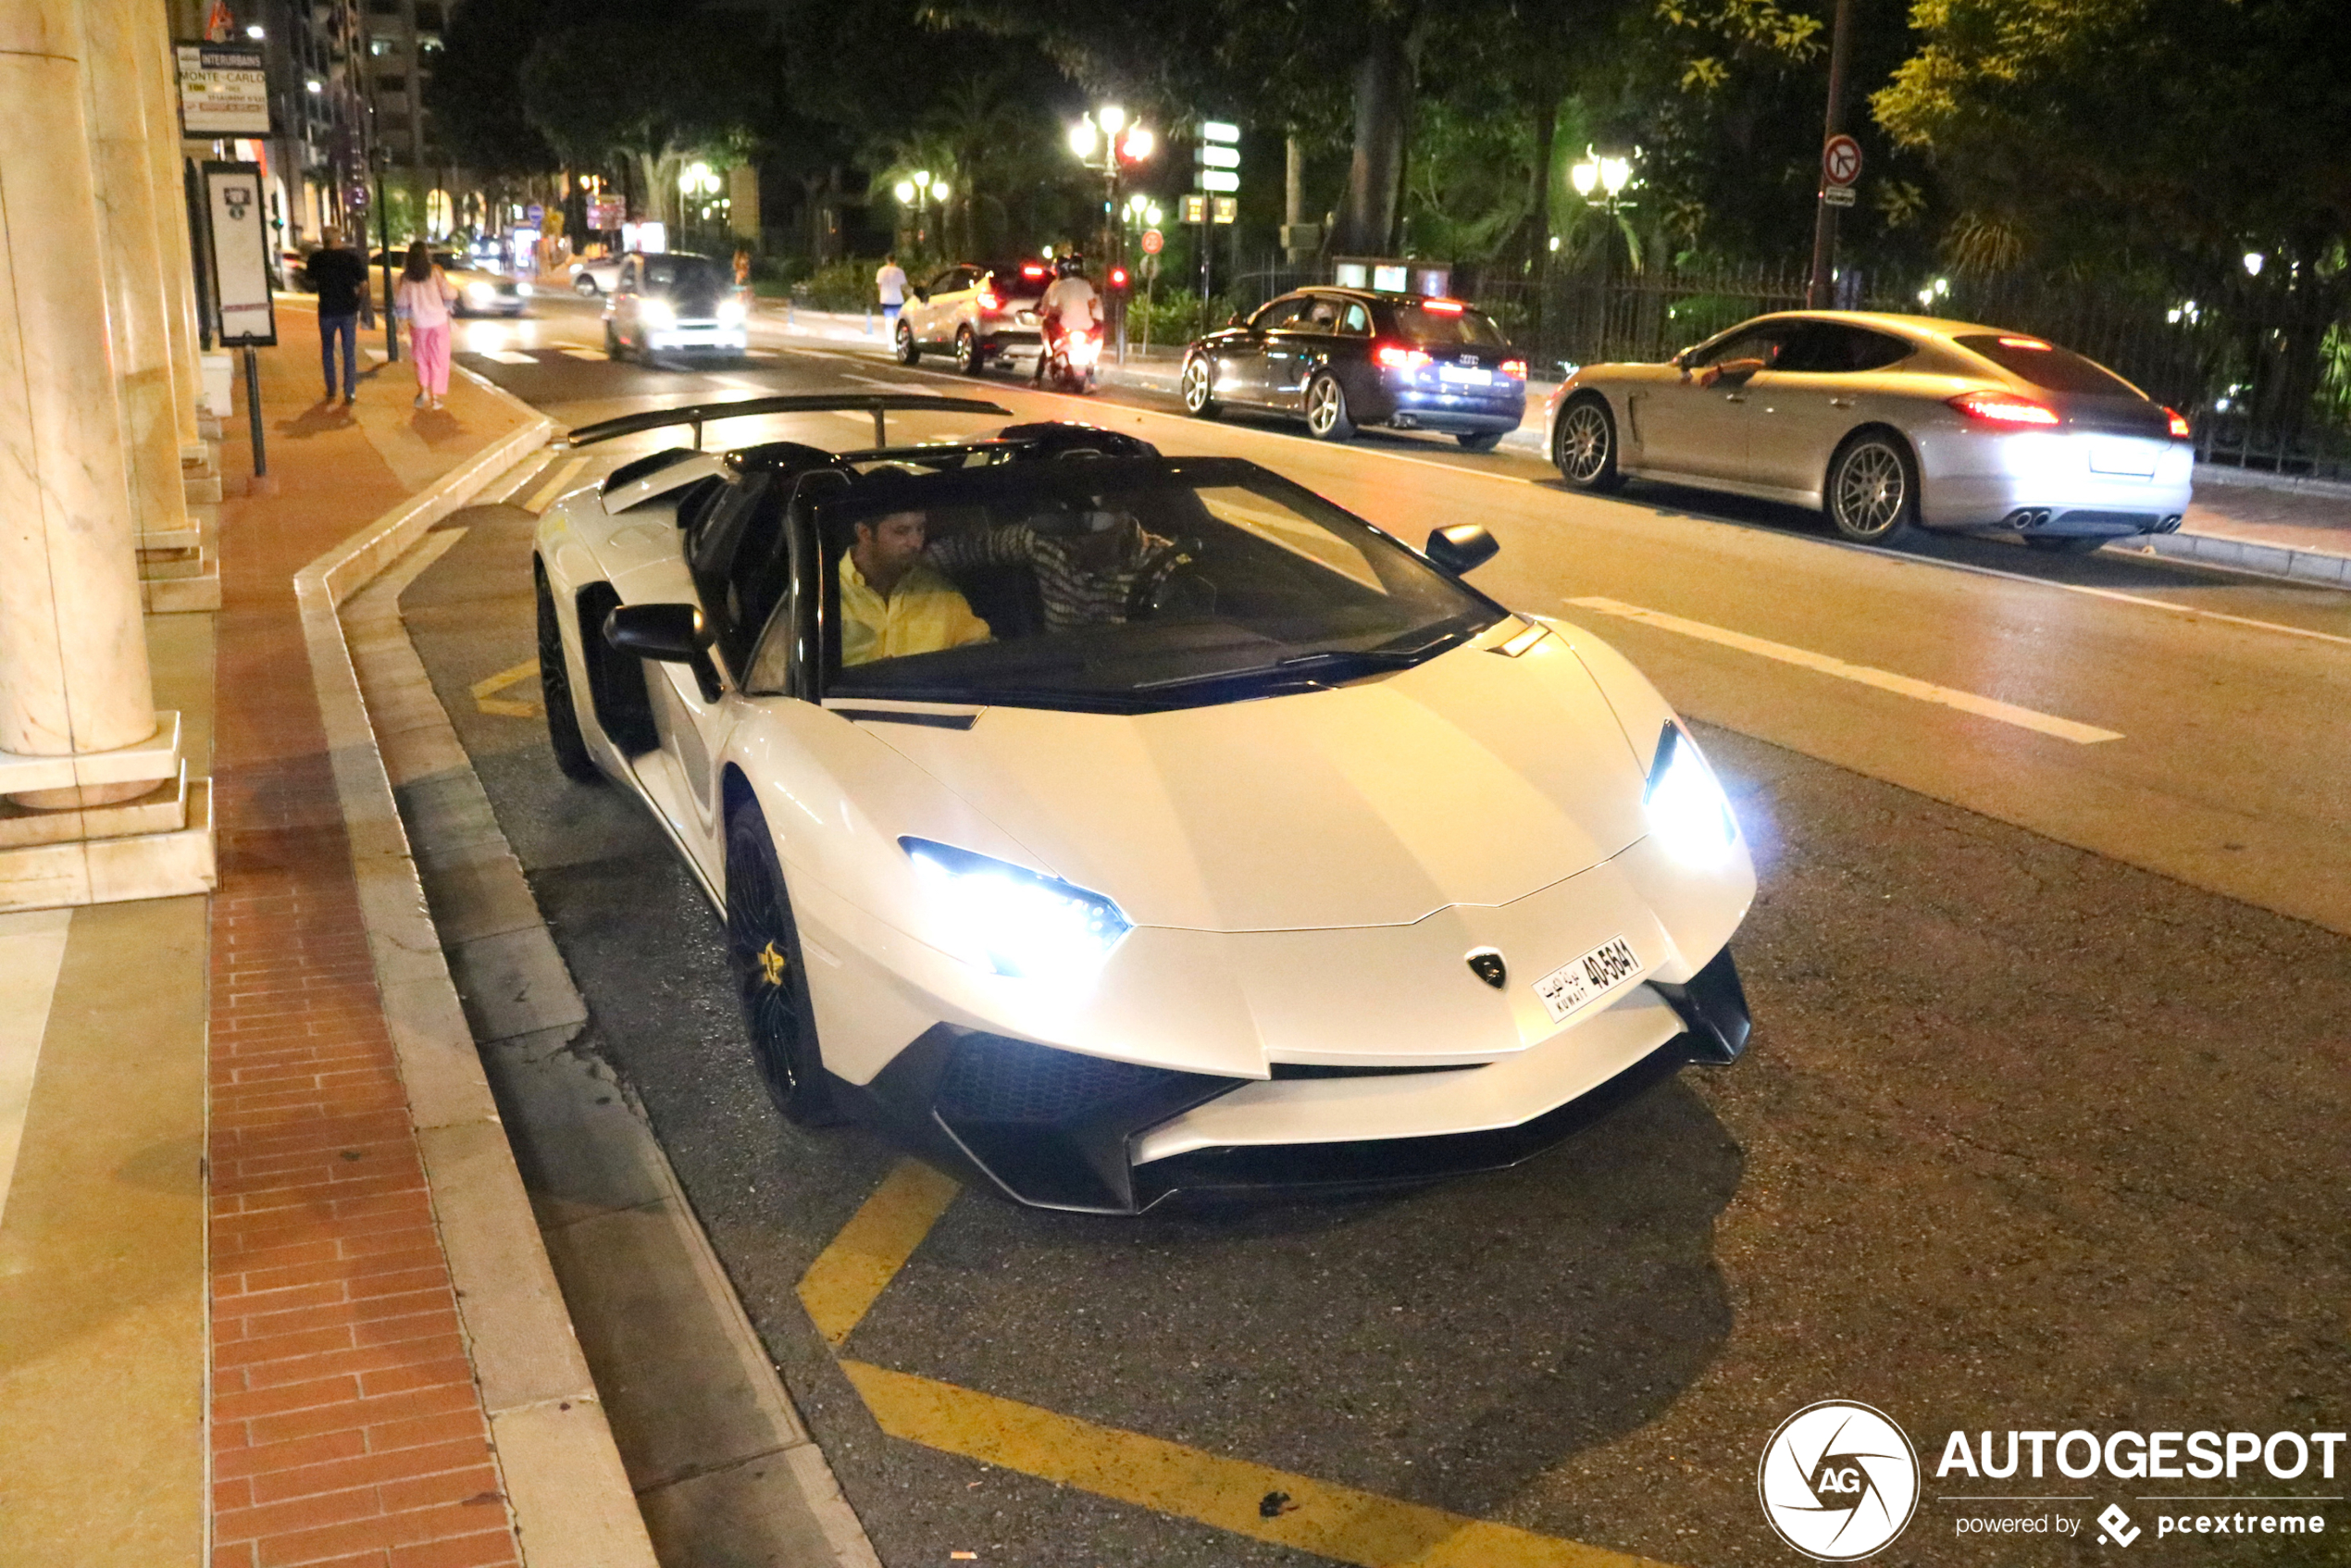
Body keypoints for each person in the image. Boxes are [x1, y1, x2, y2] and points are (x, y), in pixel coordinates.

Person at [927, 502, 1173, 634]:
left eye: (1093, 521)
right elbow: (964, 549)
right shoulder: (1046, 542)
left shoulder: (1164, 565)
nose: (1078, 537)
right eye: (1073, 521)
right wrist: (903, 575)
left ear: (1122, 514)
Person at [839, 510, 993, 667]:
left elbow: (982, 655)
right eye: (901, 532)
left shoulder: (940, 593)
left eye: (920, 529)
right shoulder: (825, 594)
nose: (916, 543)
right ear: (865, 533)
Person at [304, 227, 372, 407]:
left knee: (327, 349)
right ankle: (349, 391)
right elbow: (364, 283)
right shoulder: (351, 258)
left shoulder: (316, 258)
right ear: (337, 240)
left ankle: (331, 388)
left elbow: (309, 281)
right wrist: (357, 298)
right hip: (348, 310)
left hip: (327, 309)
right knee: (349, 351)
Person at [392, 239, 456, 410]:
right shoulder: (435, 272)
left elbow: (401, 303)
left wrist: (400, 323)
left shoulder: (406, 278)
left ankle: (424, 390)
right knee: (438, 358)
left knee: (421, 358)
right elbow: (449, 293)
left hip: (418, 324)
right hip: (438, 322)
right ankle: (436, 397)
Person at [1033, 253, 1098, 384]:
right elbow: (1094, 304)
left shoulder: (1057, 285)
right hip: (1086, 326)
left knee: (1048, 341)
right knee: (1095, 340)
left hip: (1065, 325)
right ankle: (1092, 381)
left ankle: (1038, 376)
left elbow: (1049, 308)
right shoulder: (1086, 284)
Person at [874, 255, 908, 332]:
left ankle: (891, 339)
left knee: (888, 321)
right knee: (898, 320)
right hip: (898, 300)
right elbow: (904, 287)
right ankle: (898, 338)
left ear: (887, 261)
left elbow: (879, 286)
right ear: (895, 261)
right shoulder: (899, 271)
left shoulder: (881, 271)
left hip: (886, 300)